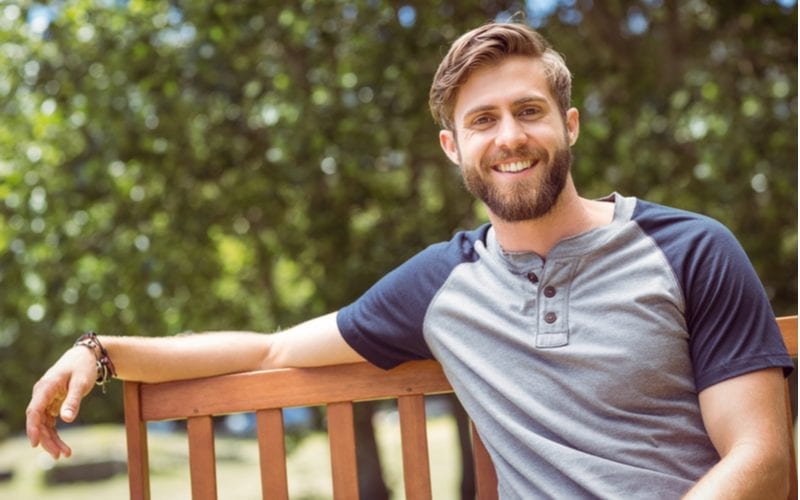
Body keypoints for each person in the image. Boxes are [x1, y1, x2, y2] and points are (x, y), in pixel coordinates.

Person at [27, 22, 793, 499]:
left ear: (570, 125)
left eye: (529, 111)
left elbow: (762, 461)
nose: (510, 137)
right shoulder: (442, 284)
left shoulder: (690, 247)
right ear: (454, 148)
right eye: (483, 120)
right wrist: (102, 353)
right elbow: (272, 348)